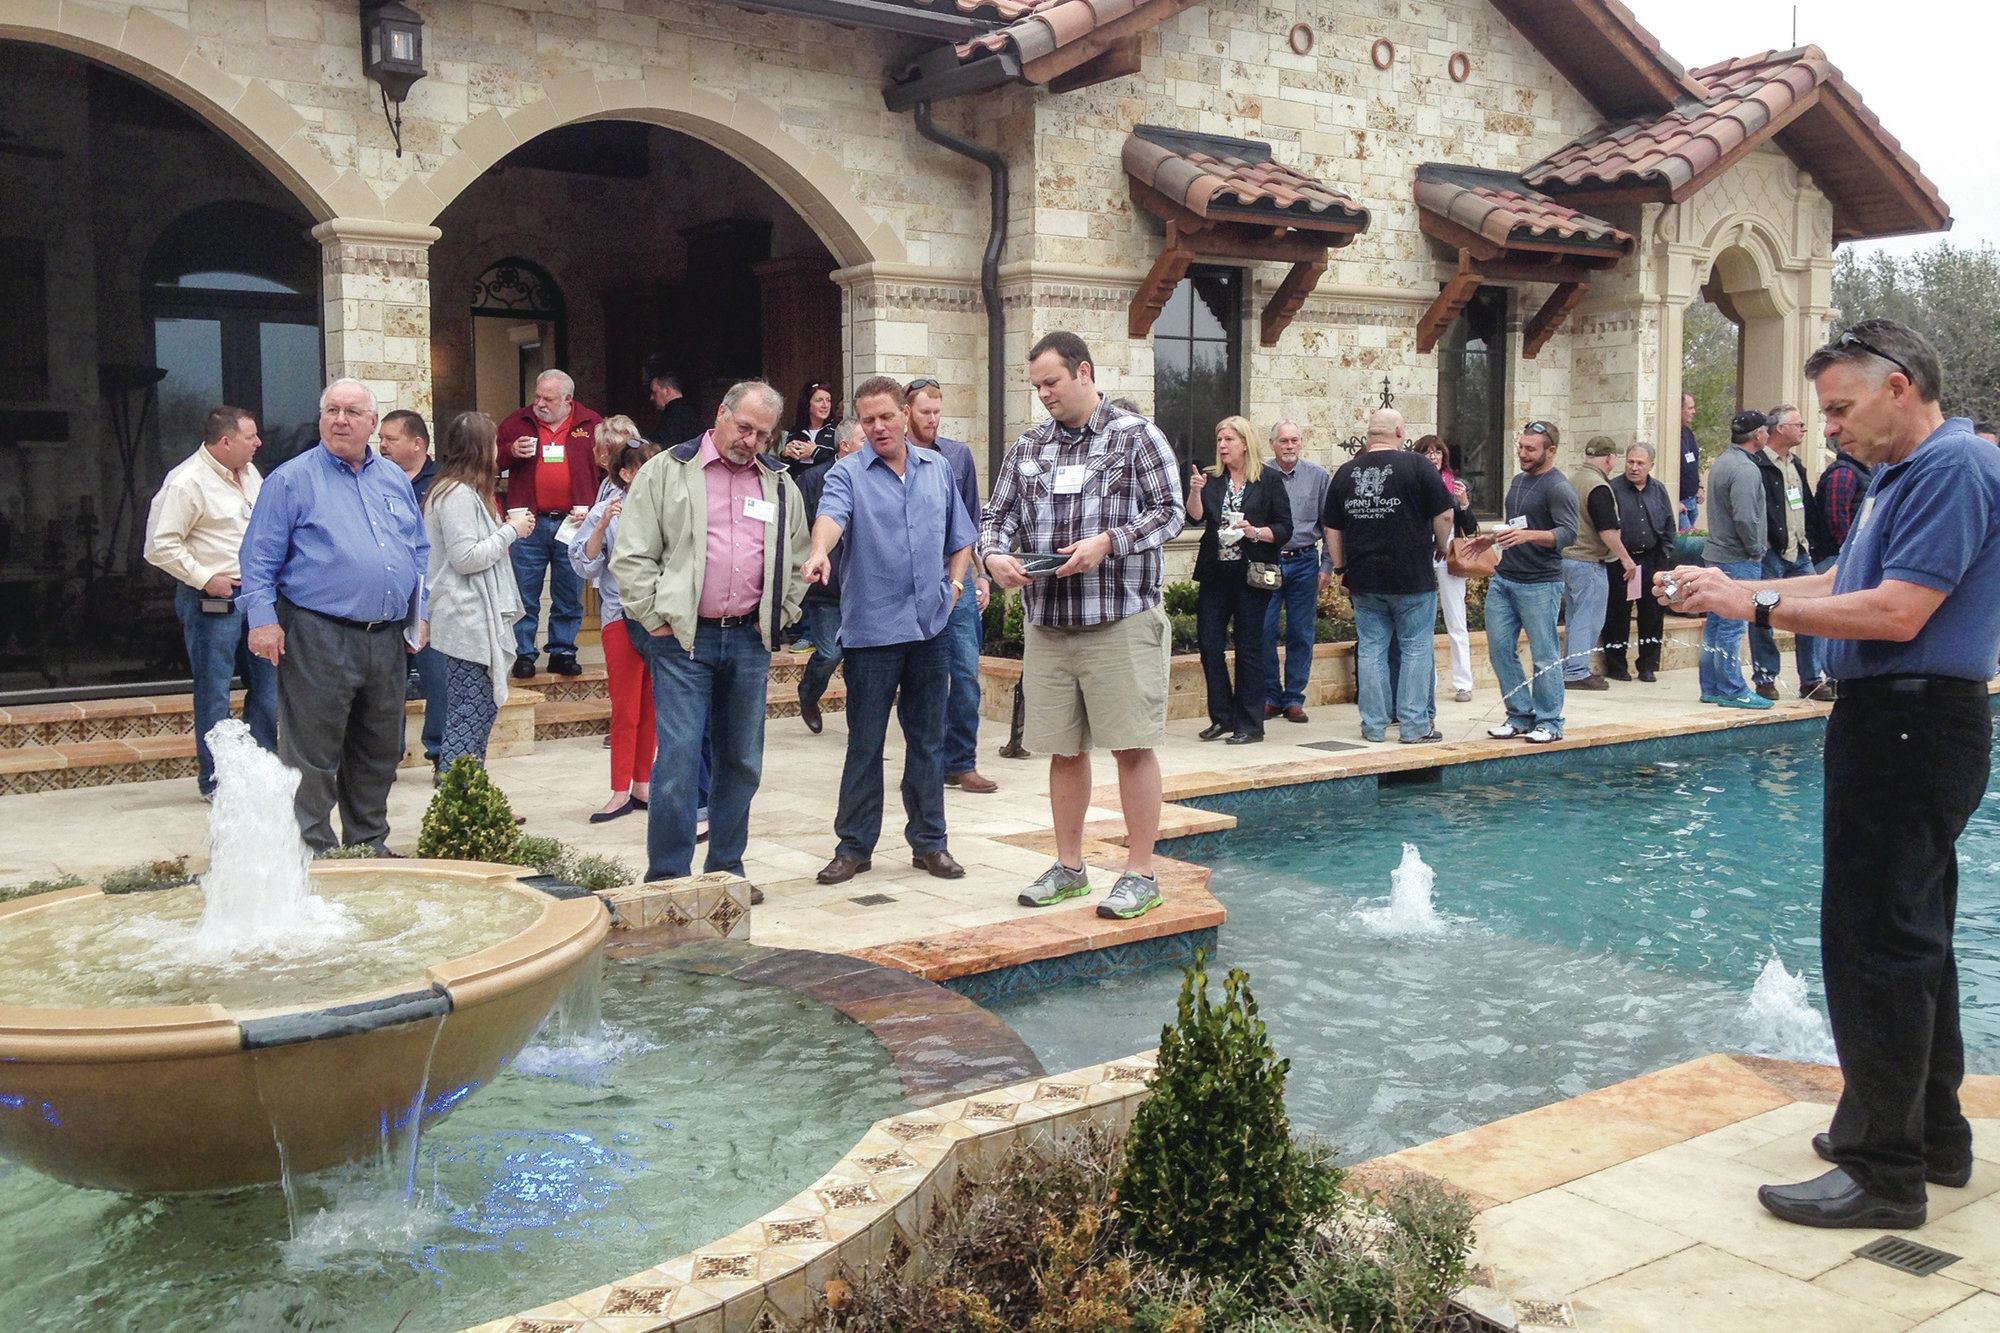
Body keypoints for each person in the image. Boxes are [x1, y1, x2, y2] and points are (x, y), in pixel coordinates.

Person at [1659, 319, 2000, 1231]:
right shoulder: (1906, 475)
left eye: (1842, 408)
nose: (1830, 428)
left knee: (1874, 942)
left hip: (1910, 723)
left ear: (1900, 387)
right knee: (1911, 933)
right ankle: (1928, 1133)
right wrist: (1731, 588)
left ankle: (1882, 1174)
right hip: (1905, 723)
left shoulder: (1954, 469)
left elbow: (1895, 609)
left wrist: (1756, 600)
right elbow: (1843, 575)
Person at [979, 331, 1184, 920]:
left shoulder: (1134, 437)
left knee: (1132, 746)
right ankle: (1070, 867)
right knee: (1063, 751)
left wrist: (1110, 543)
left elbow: (1170, 511)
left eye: (1052, 382)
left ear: (1084, 372)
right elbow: (995, 517)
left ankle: (1140, 872)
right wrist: (994, 557)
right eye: (1036, 385)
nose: (1043, 395)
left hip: (1119, 619)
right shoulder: (1029, 447)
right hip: (1050, 623)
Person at [610, 380, 808, 890]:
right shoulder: (666, 470)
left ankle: (725, 871)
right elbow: (631, 555)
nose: (752, 442)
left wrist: (782, 613)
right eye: (744, 428)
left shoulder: (780, 483)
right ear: (719, 414)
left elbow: (799, 554)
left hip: (749, 640)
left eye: (763, 435)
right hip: (682, 641)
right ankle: (669, 879)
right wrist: (655, 619)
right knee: (677, 761)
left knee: (741, 760)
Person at [239, 379, 428, 853]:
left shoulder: (393, 480)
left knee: (379, 749)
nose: (340, 419)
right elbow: (258, 558)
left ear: (372, 423)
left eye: (351, 412)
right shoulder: (290, 479)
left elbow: (418, 551)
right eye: (331, 410)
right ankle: (313, 853)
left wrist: (419, 614)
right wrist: (263, 620)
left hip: (386, 638)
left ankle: (369, 846)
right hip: (317, 633)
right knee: (313, 753)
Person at [804, 376, 977, 885]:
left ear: (904, 413)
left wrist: (956, 583)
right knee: (866, 742)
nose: (878, 427)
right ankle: (854, 847)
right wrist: (818, 553)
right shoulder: (847, 474)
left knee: (927, 741)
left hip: (930, 629)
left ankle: (930, 844)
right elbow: (831, 520)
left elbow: (961, 535)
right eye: (868, 419)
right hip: (873, 633)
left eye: (885, 416)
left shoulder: (939, 469)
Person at [143, 404, 276, 800]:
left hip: (257, 597)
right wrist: (206, 578)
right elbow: (158, 545)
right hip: (211, 598)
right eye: (250, 436)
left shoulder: (251, 473)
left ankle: (259, 771)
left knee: (270, 688)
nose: (258, 443)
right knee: (214, 691)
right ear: (225, 441)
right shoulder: (187, 482)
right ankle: (217, 782)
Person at [1325, 409, 1452, 744]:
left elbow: (1332, 527)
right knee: (1414, 649)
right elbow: (1445, 514)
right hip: (1412, 575)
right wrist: (1441, 545)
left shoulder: (1346, 472)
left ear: (1369, 434)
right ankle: (1413, 727)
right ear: (1399, 431)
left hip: (1365, 579)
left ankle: (1373, 726)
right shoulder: (1418, 466)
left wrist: (1340, 567)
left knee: (1371, 650)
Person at [423, 412, 532, 776]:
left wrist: (504, 528)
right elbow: (466, 558)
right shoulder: (454, 495)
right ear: (480, 448)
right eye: (493, 443)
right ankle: (458, 797)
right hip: (466, 615)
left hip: (473, 613)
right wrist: (511, 532)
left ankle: (474, 796)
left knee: (479, 708)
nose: (498, 452)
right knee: (470, 708)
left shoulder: (469, 493)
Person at [907, 377, 996, 793]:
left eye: (937, 411)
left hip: (954, 580)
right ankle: (926, 759)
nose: (932, 419)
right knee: (916, 678)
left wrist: (981, 576)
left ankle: (961, 761)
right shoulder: (895, 457)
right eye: (925, 411)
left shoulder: (958, 456)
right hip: (907, 585)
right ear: (907, 412)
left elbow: (971, 523)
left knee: (965, 672)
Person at [1468, 421, 1577, 744]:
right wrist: (1492, 540)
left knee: (1544, 655)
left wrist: (1528, 536)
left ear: (1551, 450)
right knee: (1500, 650)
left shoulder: (1559, 487)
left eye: (1531, 449)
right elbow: (1516, 526)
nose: (1523, 454)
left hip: (1540, 584)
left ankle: (1550, 722)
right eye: (1521, 447)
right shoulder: (1517, 482)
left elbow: (1568, 534)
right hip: (1505, 578)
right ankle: (1519, 715)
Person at [495, 369, 604, 680]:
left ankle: (562, 651)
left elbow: (610, 464)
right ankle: (523, 654)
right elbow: (491, 460)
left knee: (568, 591)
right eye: (537, 396)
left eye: (548, 398)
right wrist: (511, 452)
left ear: (568, 399)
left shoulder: (591, 424)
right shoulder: (516, 422)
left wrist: (597, 511)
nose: (539, 403)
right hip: (528, 521)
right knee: (524, 593)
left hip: (574, 521)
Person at [1189, 416, 1291, 745]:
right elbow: (1195, 516)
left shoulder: (1269, 481)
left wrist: (1255, 532)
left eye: (1229, 440)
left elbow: (1285, 528)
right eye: (1219, 439)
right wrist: (1195, 492)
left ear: (1245, 444)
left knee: (1249, 648)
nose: (1222, 445)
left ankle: (1250, 723)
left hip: (1251, 575)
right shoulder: (1211, 479)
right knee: (1209, 644)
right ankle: (1222, 716)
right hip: (1215, 574)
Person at [569, 441, 654, 822]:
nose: (651, 471)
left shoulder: (664, 506)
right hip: (620, 614)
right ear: (625, 473)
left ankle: (643, 783)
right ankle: (619, 789)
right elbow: (584, 565)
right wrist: (601, 524)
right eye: (642, 467)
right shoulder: (607, 510)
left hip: (657, 616)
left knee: (651, 706)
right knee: (625, 707)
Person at [378, 409, 445, 768]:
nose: (382, 445)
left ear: (417, 443)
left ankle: (439, 755)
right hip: (388, 597)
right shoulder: (375, 479)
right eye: (382, 438)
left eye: (391, 438)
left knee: (439, 681)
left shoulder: (443, 483)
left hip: (431, 596)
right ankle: (386, 759)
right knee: (387, 686)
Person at [1696, 410, 1774, 710]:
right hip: (1737, 557)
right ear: (1757, 436)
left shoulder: (1722, 462)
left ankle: (1712, 686)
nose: (1768, 435)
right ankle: (1732, 689)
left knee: (1716, 623)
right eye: (1766, 431)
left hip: (1717, 554)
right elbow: (1744, 516)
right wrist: (1756, 547)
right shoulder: (1745, 469)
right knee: (1732, 625)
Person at [793, 419, 865, 733]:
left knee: (859, 658)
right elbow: (798, 530)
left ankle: (860, 724)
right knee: (830, 652)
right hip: (828, 588)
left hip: (864, 587)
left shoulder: (875, 476)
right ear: (845, 445)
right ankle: (809, 692)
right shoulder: (811, 480)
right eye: (864, 439)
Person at [1751, 404, 1827, 700]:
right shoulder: (1758, 464)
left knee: (1811, 614)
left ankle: (1811, 679)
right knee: (1762, 614)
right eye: (1799, 424)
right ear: (1780, 428)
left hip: (1801, 552)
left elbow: (1804, 505)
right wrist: (1765, 539)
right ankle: (1766, 677)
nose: (1803, 430)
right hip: (1771, 553)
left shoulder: (1796, 464)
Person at [1260, 419, 1333, 723]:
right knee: (1264, 629)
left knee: (1301, 632)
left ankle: (1293, 699)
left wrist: (1328, 565)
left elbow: (1330, 524)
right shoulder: (1260, 474)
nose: (1289, 447)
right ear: (1272, 444)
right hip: (1268, 559)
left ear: (1301, 443)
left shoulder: (1318, 476)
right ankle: (1270, 695)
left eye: (1294, 441)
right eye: (1283, 441)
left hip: (1305, 561)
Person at [1560, 436, 1635, 692]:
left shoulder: (1573, 480)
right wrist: (1626, 559)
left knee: (1574, 616)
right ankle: (1576, 672)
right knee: (1589, 618)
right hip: (1588, 560)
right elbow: (1607, 530)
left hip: (1567, 557)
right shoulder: (1598, 487)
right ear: (1610, 458)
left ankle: (1571, 667)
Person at [1600, 442, 1675, 683]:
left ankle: (1647, 665)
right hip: (1622, 561)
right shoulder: (1613, 489)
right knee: (1617, 615)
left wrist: (1664, 557)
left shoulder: (1659, 490)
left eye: (1640, 463)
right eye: (1630, 462)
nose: (1634, 467)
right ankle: (1616, 665)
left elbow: (1669, 525)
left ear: (1650, 465)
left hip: (1651, 560)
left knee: (1652, 614)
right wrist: (1621, 558)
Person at [1416, 434, 1477, 702]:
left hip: (1449, 554)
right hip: (1421, 554)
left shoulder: (1454, 484)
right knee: (1421, 623)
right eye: (1428, 452)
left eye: (1437, 452)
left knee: (1456, 619)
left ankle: (1463, 683)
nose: (1433, 457)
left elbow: (1471, 526)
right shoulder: (1414, 482)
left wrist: (1463, 503)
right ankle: (1426, 682)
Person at [1815, 436, 1873, 564]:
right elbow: (1836, 515)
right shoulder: (1844, 472)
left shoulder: (1861, 471)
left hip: (1850, 550)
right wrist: (1848, 546)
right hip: (1836, 554)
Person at [782, 381, 840, 467]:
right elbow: (787, 468)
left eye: (828, 400)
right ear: (807, 403)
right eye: (819, 400)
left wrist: (815, 452)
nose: (825, 405)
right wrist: (785, 455)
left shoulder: (837, 430)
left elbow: (843, 459)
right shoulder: (796, 431)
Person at [646, 363, 702, 447]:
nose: (651, 397)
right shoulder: (692, 410)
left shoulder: (672, 414)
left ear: (667, 391)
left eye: (654, 392)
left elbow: (664, 446)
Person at [1677, 392, 1703, 532]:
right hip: (1680, 504)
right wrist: (1675, 501)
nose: (1694, 412)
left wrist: (1700, 487)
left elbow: (1694, 463)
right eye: (1690, 408)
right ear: (1679, 408)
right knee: (1686, 545)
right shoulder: (1671, 434)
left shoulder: (1688, 433)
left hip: (1692, 500)